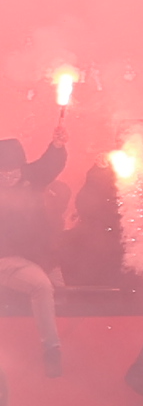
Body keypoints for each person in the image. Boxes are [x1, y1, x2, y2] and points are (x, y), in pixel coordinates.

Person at [0, 128, 67, 379]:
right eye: (2, 172)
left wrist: (57, 145)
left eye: (13, 171)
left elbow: (49, 165)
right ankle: (51, 350)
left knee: (64, 293)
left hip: (39, 255)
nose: (8, 176)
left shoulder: (30, 178)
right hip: (6, 258)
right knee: (41, 286)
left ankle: (73, 341)